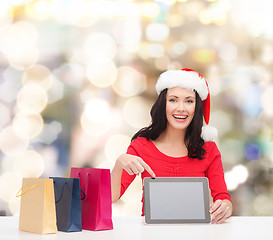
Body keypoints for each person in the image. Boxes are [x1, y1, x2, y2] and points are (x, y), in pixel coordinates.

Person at [111, 68, 232, 224]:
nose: (181, 108)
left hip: (196, 234)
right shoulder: (141, 147)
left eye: (189, 101)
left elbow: (223, 197)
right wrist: (119, 163)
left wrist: (225, 207)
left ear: (197, 107)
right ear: (163, 104)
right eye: (173, 100)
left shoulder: (209, 149)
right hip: (152, 235)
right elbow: (111, 197)